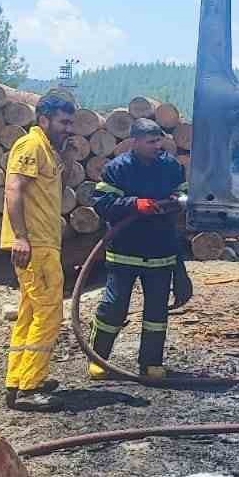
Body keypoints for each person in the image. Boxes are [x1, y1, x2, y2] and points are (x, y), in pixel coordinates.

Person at [90, 118, 187, 381]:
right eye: (151, 142)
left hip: (161, 251)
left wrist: (178, 201)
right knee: (114, 308)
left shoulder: (169, 166)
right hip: (125, 250)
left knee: (156, 312)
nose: (158, 146)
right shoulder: (118, 168)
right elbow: (102, 202)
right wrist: (135, 205)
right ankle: (98, 358)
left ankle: (151, 363)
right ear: (135, 142)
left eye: (160, 141)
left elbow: (184, 192)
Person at [2, 94, 76, 409]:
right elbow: (13, 188)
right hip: (35, 244)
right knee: (49, 313)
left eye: (71, 122)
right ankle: (30, 389)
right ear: (43, 120)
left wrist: (69, 158)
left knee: (31, 313)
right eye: (64, 122)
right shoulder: (30, 146)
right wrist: (20, 237)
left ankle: (18, 379)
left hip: (44, 243)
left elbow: (57, 186)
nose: (69, 129)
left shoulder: (49, 151)